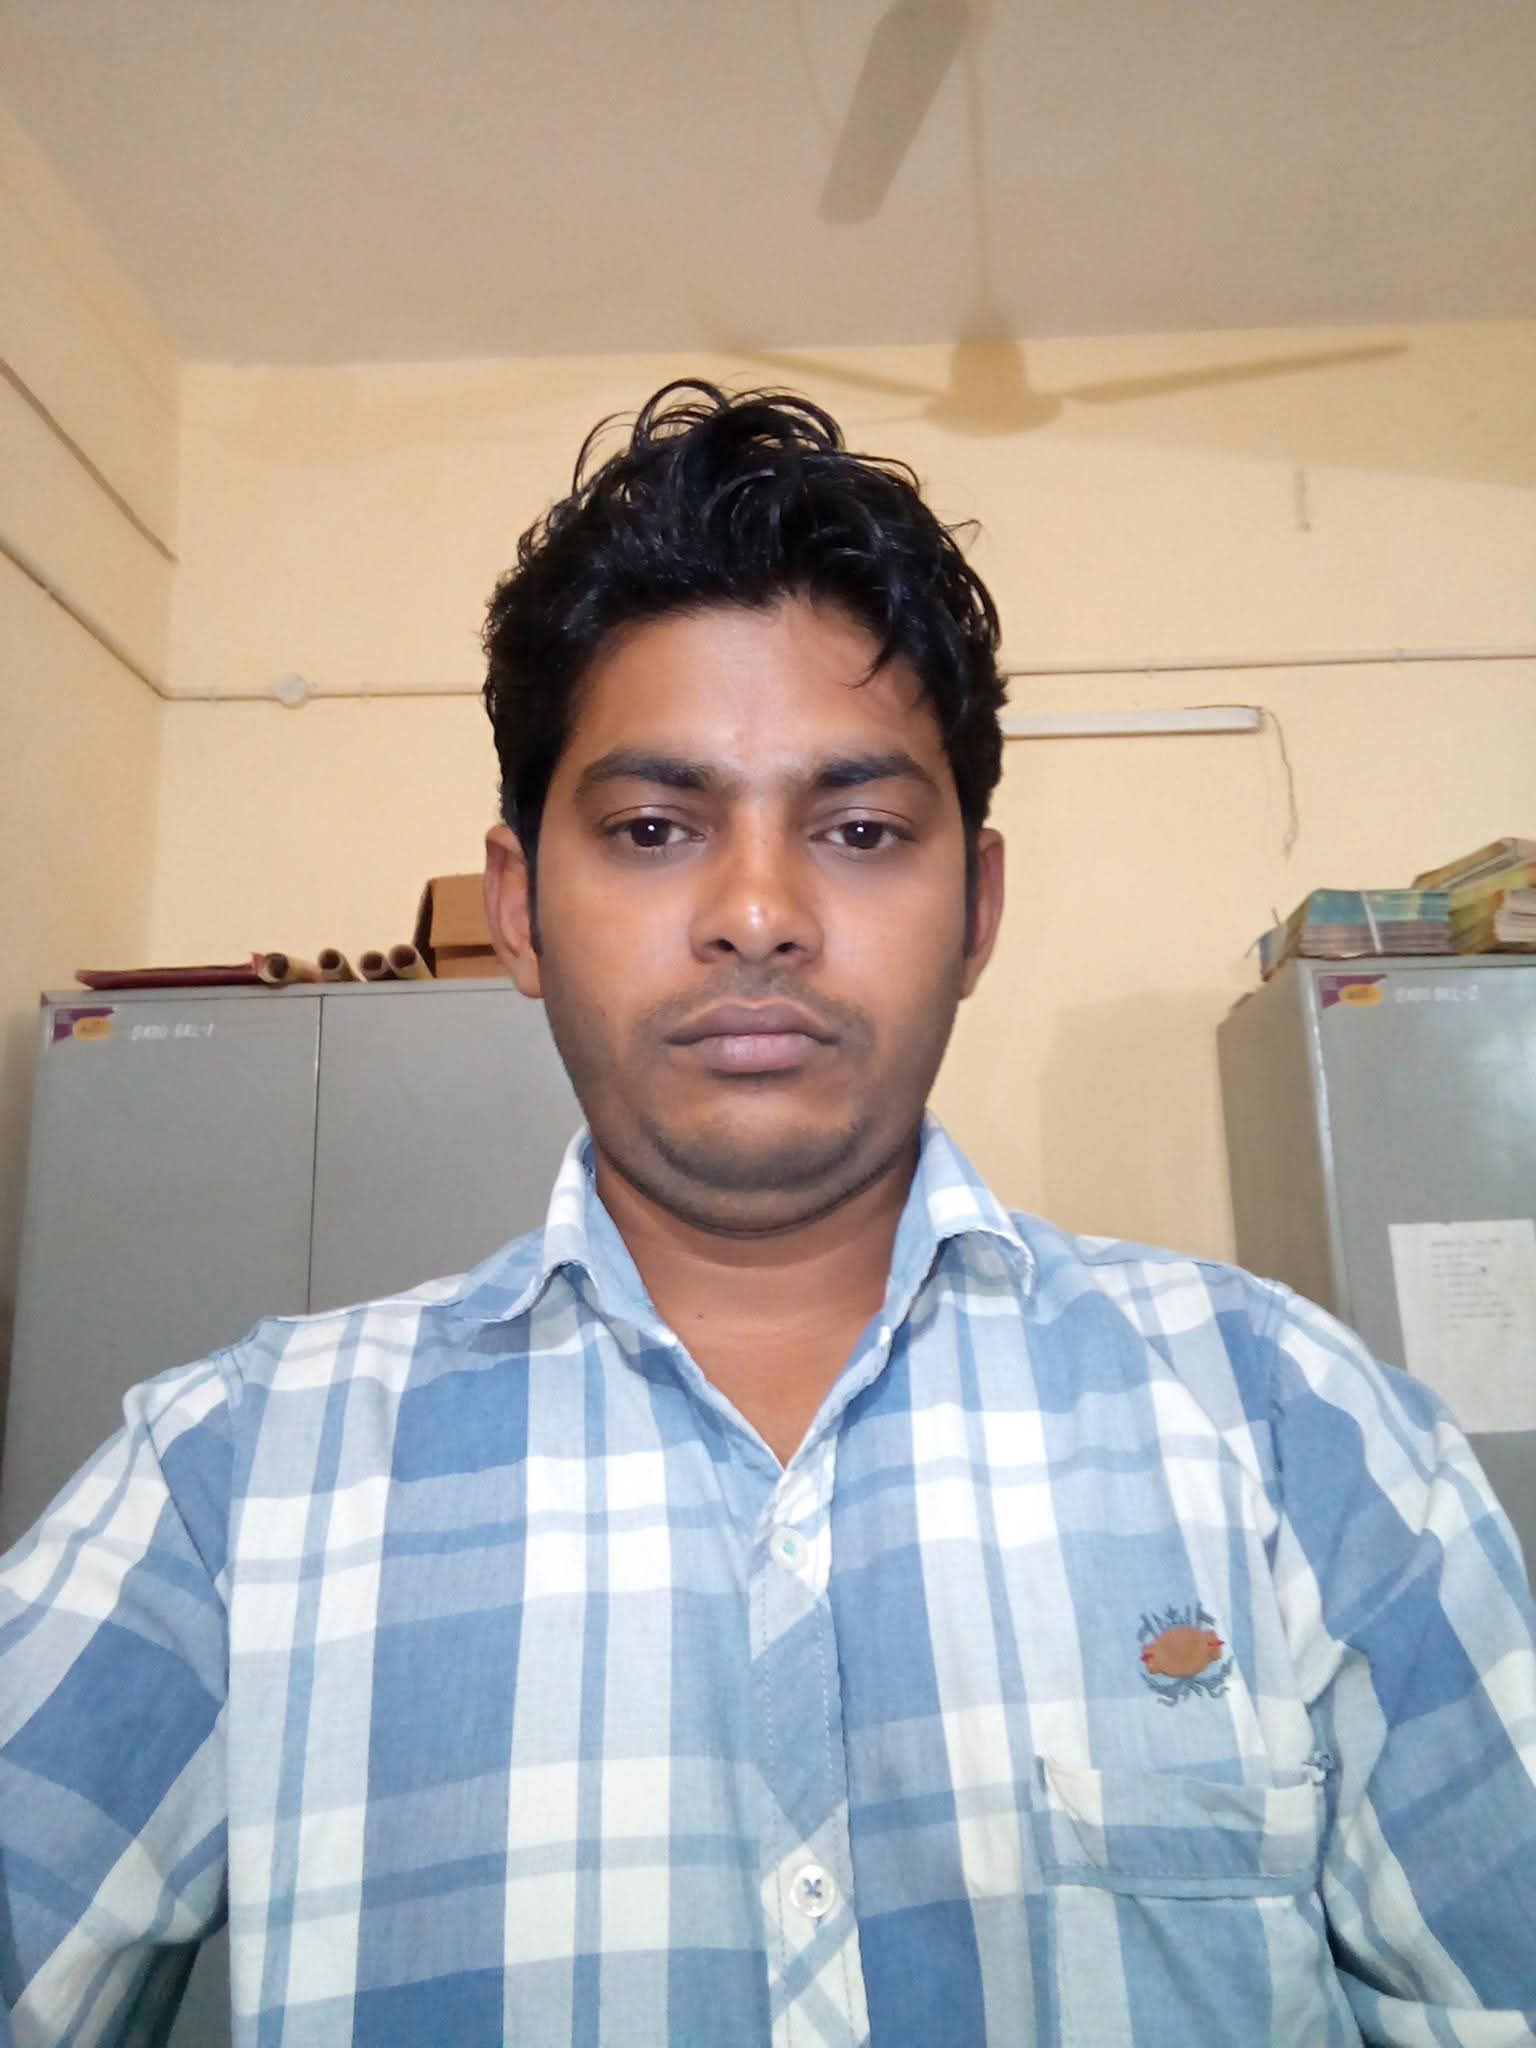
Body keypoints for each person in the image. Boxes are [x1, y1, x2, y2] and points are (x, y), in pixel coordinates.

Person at [2, 383, 1533, 2048]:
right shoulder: (231, 1489)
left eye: (860, 830)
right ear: (518, 910)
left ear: (977, 908)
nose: (756, 913)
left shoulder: (1297, 1434)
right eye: (654, 829)